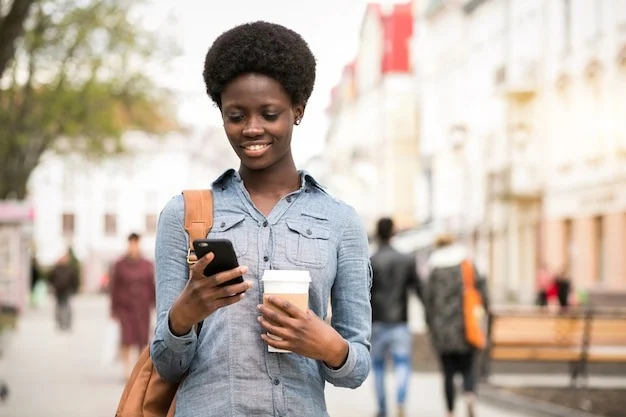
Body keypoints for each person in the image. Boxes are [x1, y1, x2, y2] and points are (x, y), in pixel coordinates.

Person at [150, 21, 372, 417]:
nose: (252, 128)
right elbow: (166, 364)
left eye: (269, 114)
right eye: (236, 116)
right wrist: (185, 313)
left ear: (298, 111)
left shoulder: (340, 222)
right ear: (221, 114)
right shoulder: (183, 216)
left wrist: (326, 345)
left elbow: (355, 369)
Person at [423, 234, 489, 417]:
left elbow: (428, 300)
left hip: (442, 328)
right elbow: (482, 289)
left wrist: (430, 324)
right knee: (469, 365)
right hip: (466, 324)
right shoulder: (466, 264)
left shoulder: (434, 268)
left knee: (448, 372)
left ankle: (450, 411)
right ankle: (469, 394)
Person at [370, 217, 422, 417]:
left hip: (377, 321)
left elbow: (364, 295)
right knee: (402, 363)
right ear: (393, 233)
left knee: (379, 367)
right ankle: (400, 399)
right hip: (400, 321)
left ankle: (382, 409)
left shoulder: (372, 261)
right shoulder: (406, 260)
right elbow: (418, 289)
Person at [110, 233, 156, 379]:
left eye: (136, 243)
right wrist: (113, 309)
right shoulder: (119, 265)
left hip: (142, 308)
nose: (133, 246)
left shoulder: (147, 264)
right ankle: (126, 369)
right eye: (131, 243)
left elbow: (152, 286)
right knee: (127, 339)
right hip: (126, 308)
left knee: (142, 339)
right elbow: (114, 288)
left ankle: (139, 370)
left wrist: (156, 305)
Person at [47, 251, 80, 331]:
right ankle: (60, 323)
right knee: (59, 307)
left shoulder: (70, 269)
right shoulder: (56, 269)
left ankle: (67, 324)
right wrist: (52, 287)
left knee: (67, 307)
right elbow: (51, 279)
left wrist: (74, 289)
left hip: (67, 290)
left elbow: (74, 280)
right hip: (58, 291)